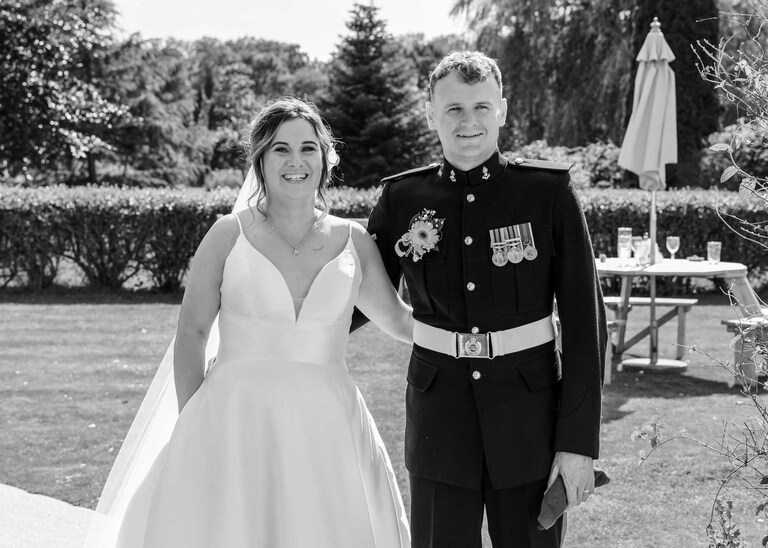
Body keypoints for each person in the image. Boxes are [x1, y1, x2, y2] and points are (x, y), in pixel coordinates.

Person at [85, 97, 413, 548]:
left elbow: (399, 322)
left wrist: (478, 329)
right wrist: (195, 423)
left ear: (326, 157)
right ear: (260, 159)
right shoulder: (227, 234)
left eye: (308, 148)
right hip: (233, 416)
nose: (296, 161)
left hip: (328, 422)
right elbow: (192, 333)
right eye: (280, 149)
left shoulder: (353, 240)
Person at [356, 51, 607, 547]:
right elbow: (354, 300)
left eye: (481, 107)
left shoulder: (546, 193)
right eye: (453, 109)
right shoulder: (401, 199)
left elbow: (584, 325)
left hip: (528, 423)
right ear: (430, 113)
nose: (468, 121)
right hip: (437, 421)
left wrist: (577, 445)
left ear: (503, 110)